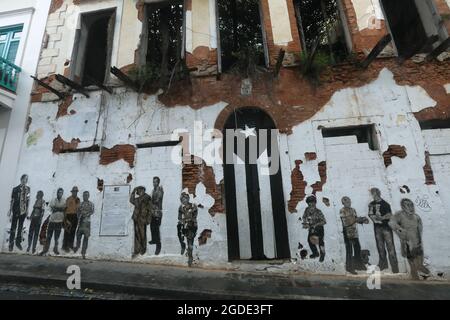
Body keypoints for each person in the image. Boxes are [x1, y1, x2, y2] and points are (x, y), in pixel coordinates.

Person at [389, 199, 431, 280]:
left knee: (419, 260)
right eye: (408, 205)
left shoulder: (416, 217)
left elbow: (420, 229)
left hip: (417, 242)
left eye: (411, 205)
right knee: (411, 258)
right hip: (407, 242)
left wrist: (419, 240)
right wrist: (401, 231)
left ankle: (421, 268)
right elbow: (391, 223)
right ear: (403, 207)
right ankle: (414, 273)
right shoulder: (399, 215)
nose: (411, 207)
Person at [368, 188, 399, 273]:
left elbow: (389, 214)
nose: (373, 196)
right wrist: (373, 217)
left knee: (390, 247)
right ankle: (383, 264)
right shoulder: (371, 204)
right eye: (372, 194)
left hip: (386, 227)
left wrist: (382, 218)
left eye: (374, 194)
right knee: (380, 246)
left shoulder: (385, 204)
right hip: (377, 227)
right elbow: (370, 213)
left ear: (378, 193)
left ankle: (394, 266)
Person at [340, 196, 369, 274]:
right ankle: (349, 267)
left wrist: (363, 220)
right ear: (343, 203)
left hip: (354, 232)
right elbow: (345, 223)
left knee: (357, 249)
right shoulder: (342, 211)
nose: (348, 203)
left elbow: (356, 219)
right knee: (349, 250)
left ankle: (359, 265)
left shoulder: (353, 210)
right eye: (346, 202)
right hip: (347, 232)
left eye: (349, 201)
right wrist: (356, 220)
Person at [40, 188, 66, 256]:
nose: (59, 194)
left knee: (56, 238)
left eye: (61, 192)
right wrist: (59, 209)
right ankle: (45, 250)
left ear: (62, 193)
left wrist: (57, 209)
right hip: (52, 221)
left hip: (59, 221)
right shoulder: (53, 200)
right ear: (57, 193)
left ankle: (55, 249)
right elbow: (52, 209)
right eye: (58, 192)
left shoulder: (64, 201)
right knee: (48, 236)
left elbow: (64, 209)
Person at [8, 174, 31, 251]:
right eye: (24, 179)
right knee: (13, 227)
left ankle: (18, 242)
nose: (25, 180)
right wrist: (10, 210)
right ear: (21, 179)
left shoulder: (28, 189)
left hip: (23, 211)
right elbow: (12, 201)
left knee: (20, 228)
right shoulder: (15, 189)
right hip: (16, 210)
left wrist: (27, 210)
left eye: (27, 179)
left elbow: (28, 200)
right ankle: (10, 244)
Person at [130, 186, 152, 258]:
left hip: (143, 219)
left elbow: (150, 209)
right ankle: (137, 249)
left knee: (142, 235)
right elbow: (131, 200)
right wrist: (133, 191)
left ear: (142, 190)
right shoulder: (137, 199)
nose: (137, 192)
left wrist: (149, 219)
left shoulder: (147, 198)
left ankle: (143, 249)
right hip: (136, 218)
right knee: (137, 234)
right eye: (137, 191)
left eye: (138, 191)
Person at [178, 193, 198, 267]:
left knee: (190, 242)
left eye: (185, 199)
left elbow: (195, 216)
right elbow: (179, 217)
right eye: (182, 199)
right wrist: (182, 221)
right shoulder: (181, 207)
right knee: (182, 236)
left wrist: (189, 220)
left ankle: (190, 257)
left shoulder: (193, 206)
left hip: (191, 226)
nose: (184, 201)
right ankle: (184, 247)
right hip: (184, 226)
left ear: (188, 199)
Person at [74, 191, 94, 259]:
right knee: (78, 236)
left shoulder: (91, 204)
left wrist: (85, 214)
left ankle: (83, 253)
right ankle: (77, 247)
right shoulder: (80, 204)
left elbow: (92, 211)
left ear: (88, 196)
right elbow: (77, 212)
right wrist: (79, 216)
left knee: (86, 238)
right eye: (84, 195)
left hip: (87, 223)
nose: (85, 196)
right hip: (81, 222)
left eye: (86, 195)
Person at [62, 186, 80, 253]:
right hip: (69, 216)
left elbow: (78, 209)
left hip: (75, 216)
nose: (75, 193)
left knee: (73, 232)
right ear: (72, 192)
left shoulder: (78, 199)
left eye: (76, 192)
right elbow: (65, 209)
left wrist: (78, 218)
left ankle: (70, 245)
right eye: (74, 191)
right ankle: (65, 246)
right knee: (67, 232)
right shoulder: (68, 199)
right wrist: (65, 219)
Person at [149, 177, 164, 255]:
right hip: (152, 212)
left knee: (156, 229)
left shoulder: (159, 190)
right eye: (153, 182)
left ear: (158, 182)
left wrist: (150, 202)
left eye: (155, 182)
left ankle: (158, 245)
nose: (154, 183)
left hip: (157, 212)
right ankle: (154, 240)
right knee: (152, 227)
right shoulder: (153, 190)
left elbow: (157, 200)